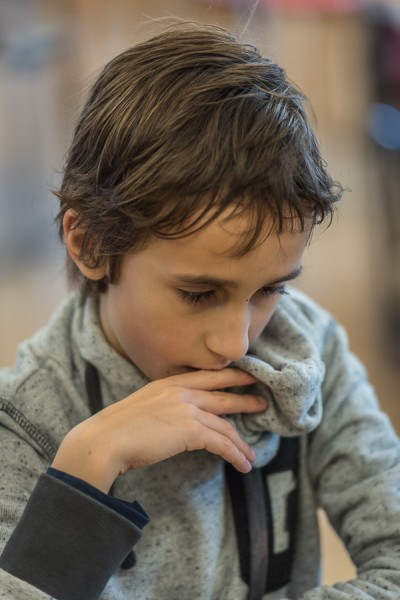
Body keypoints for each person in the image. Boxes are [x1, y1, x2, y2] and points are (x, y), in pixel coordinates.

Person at [0, 21, 399, 600]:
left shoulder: (310, 352)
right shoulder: (22, 421)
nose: (236, 343)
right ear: (90, 245)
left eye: (270, 290)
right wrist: (84, 472)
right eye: (198, 294)